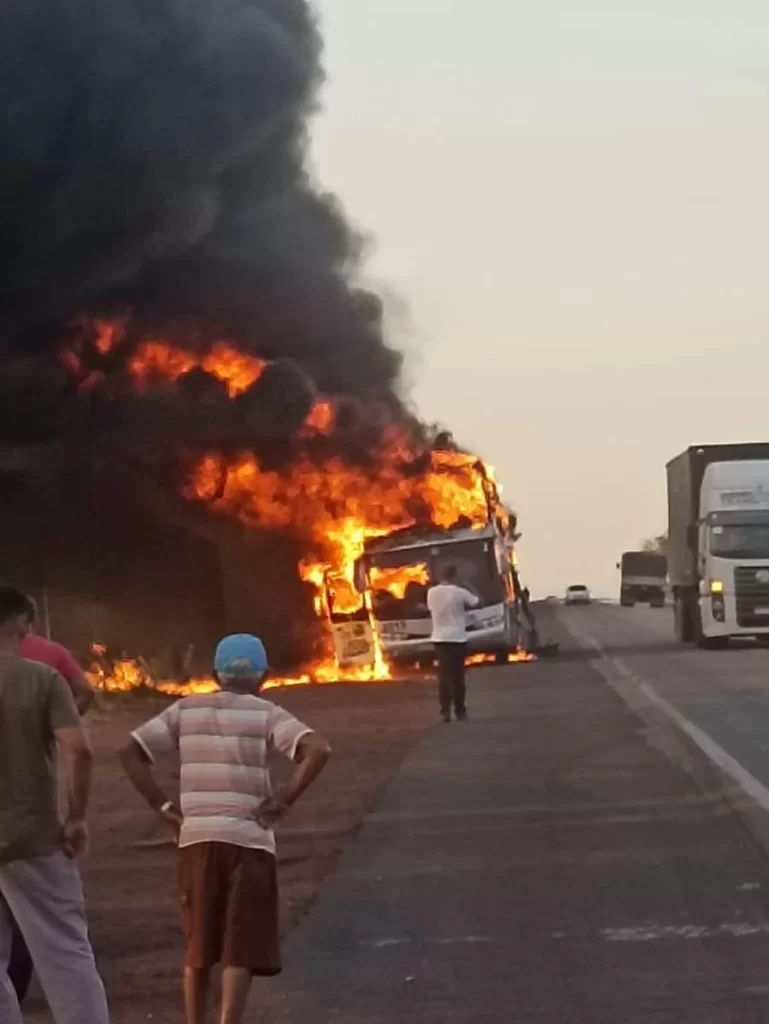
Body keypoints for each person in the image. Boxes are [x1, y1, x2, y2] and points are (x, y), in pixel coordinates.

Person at [119, 633, 331, 1024]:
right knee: (241, 942)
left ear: (215, 674)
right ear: (263, 675)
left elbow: (129, 750)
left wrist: (163, 807)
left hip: (197, 839)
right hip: (249, 840)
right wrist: (285, 796)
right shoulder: (266, 712)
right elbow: (318, 749)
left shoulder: (185, 709)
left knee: (199, 943)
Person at [0, 584, 110, 1024]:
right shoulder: (41, 680)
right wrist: (77, 817)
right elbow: (78, 750)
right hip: (35, 837)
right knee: (65, 954)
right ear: (25, 625)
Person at [427, 564, 480, 722]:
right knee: (458, 677)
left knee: (444, 676)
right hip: (457, 638)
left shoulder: (431, 593)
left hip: (439, 639)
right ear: (455, 576)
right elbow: (475, 602)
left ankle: (445, 710)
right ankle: (460, 710)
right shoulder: (459, 592)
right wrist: (468, 585)